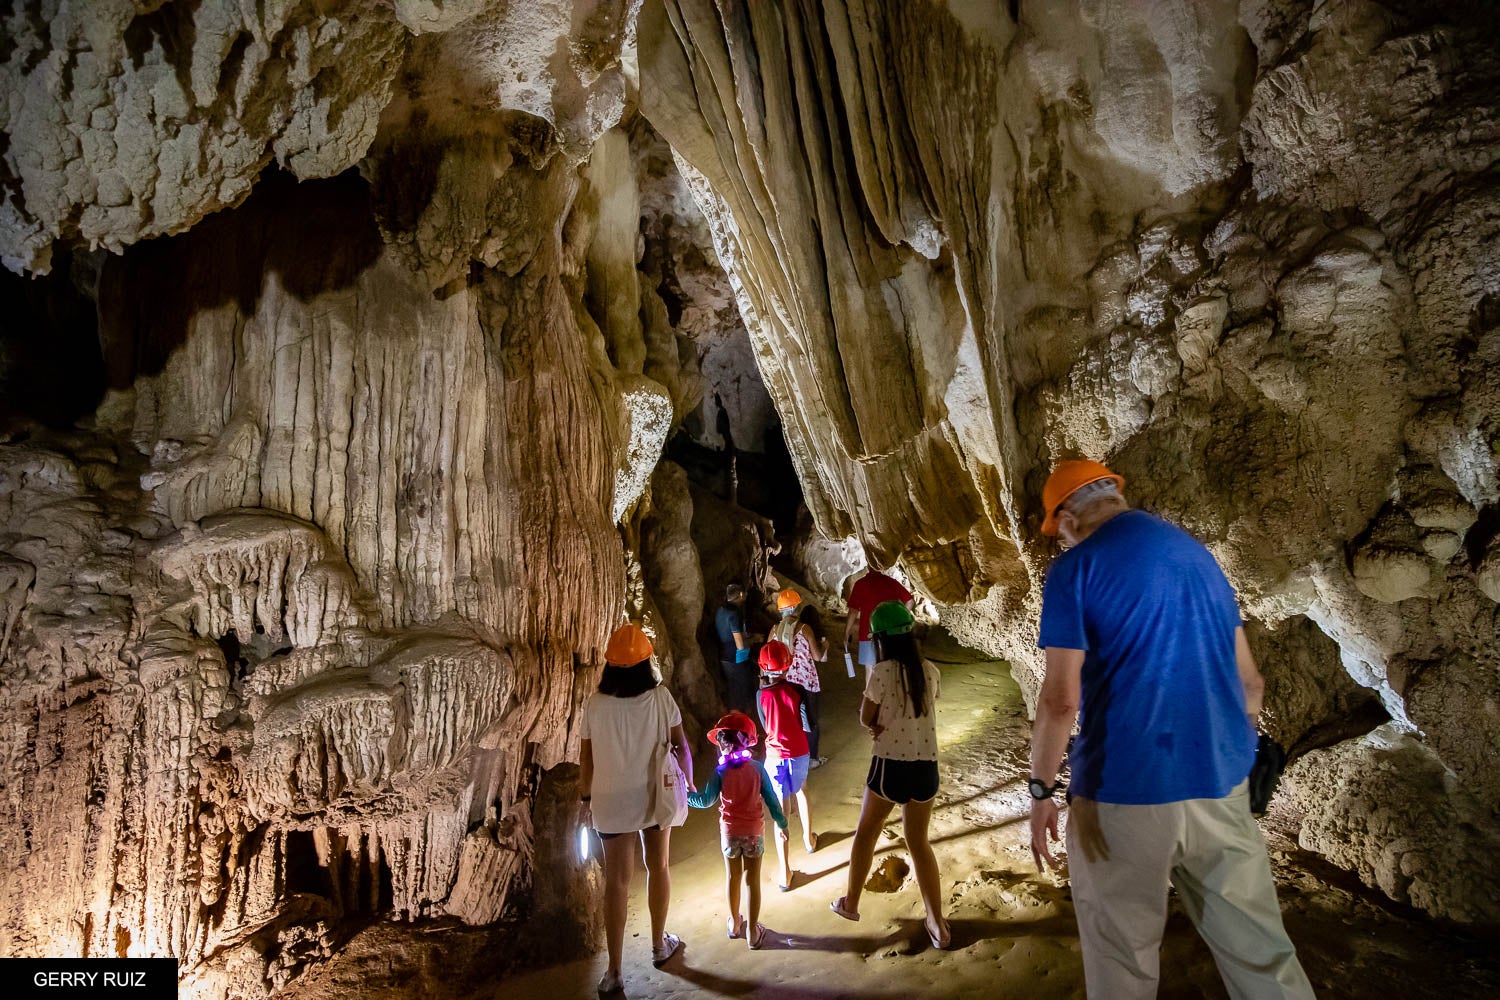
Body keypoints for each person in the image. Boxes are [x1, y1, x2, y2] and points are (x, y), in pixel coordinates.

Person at [1028, 459, 1314, 999]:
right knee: (1262, 956)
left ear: (1068, 515)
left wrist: (1042, 789)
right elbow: (1250, 685)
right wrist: (1236, 759)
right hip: (1220, 786)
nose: (1061, 541)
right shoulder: (1199, 558)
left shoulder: (1074, 571)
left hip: (1124, 793)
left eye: (1057, 531)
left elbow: (1061, 700)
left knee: (1123, 960)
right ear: (1113, 493)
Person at [580, 623, 694, 994]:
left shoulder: (595, 705)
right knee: (658, 865)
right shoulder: (661, 698)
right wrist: (688, 783)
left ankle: (614, 971)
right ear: (647, 663)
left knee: (617, 882)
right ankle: (660, 945)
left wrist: (586, 799)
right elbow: (681, 746)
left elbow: (587, 760)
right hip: (653, 795)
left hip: (611, 801)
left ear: (610, 666)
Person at [829, 601, 950, 950]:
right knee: (919, 841)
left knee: (867, 833)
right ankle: (937, 923)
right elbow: (924, 707)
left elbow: (866, 717)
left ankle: (850, 903)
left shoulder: (881, 672)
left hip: (890, 765)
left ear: (880, 639)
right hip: (926, 766)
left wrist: (877, 723)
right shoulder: (930, 671)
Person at [687, 711, 789, 951]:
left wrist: (685, 796)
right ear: (748, 741)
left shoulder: (721, 771)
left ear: (722, 744)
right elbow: (772, 800)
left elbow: (705, 800)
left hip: (729, 833)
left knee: (733, 876)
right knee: (752, 880)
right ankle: (753, 932)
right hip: (754, 832)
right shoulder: (756, 768)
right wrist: (782, 824)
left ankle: (734, 924)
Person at [756, 640, 816, 888]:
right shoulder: (797, 689)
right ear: (787, 664)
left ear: (762, 667)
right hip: (799, 751)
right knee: (802, 790)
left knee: (781, 811)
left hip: (775, 756)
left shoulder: (761, 695)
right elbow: (808, 723)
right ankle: (809, 839)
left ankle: (785, 872)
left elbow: (764, 726)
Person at [770, 587, 829, 767]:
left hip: (784, 681)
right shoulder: (805, 629)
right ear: (796, 608)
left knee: (790, 720)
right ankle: (812, 759)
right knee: (810, 720)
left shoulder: (774, 630)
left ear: (780, 610)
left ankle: (792, 757)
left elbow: (769, 656)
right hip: (806, 681)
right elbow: (818, 656)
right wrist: (825, 645)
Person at [844, 568, 913, 672]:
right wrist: (899, 618)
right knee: (888, 670)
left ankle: (870, 689)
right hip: (890, 633)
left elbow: (853, 611)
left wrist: (846, 632)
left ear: (868, 564)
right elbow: (910, 601)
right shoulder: (891, 582)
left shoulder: (861, 584)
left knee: (870, 670)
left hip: (867, 634)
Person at [715, 583, 757, 717]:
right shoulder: (734, 613)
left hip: (724, 655)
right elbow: (739, 642)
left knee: (733, 687)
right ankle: (742, 720)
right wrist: (753, 641)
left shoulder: (720, 610)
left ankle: (735, 719)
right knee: (742, 690)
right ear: (740, 594)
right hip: (737, 657)